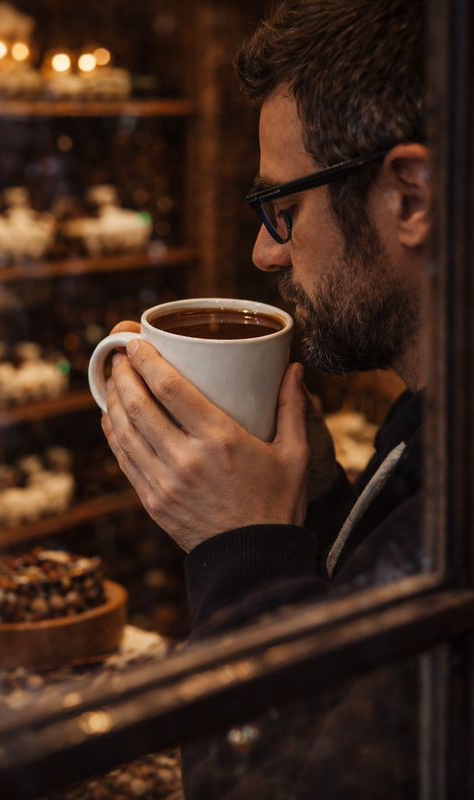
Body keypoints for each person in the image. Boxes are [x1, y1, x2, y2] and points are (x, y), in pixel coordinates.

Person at [101, 0, 428, 795]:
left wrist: (238, 544)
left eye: (282, 209)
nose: (263, 252)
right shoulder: (433, 422)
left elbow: (275, 778)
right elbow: (381, 676)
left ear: (410, 197)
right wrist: (312, 497)